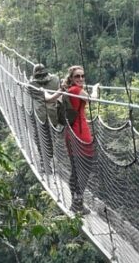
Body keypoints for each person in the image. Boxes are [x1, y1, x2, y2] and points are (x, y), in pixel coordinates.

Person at [45, 65, 99, 214]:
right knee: (84, 171)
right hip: (80, 136)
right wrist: (95, 89)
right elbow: (92, 99)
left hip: (70, 135)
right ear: (72, 78)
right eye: (77, 76)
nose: (81, 79)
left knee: (76, 171)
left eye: (82, 76)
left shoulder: (68, 91)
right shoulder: (76, 90)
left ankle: (77, 205)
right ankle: (77, 204)